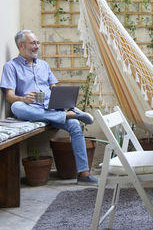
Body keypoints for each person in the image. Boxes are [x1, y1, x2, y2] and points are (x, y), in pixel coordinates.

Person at [0, 30, 98, 185]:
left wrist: (63, 100)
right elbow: (9, 96)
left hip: (51, 108)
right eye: (33, 43)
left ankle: (84, 174)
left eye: (37, 43)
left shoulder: (44, 65)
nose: (36, 46)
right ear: (21, 45)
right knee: (16, 107)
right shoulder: (11, 67)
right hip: (31, 109)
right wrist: (23, 98)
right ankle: (71, 114)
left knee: (75, 125)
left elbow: (53, 88)